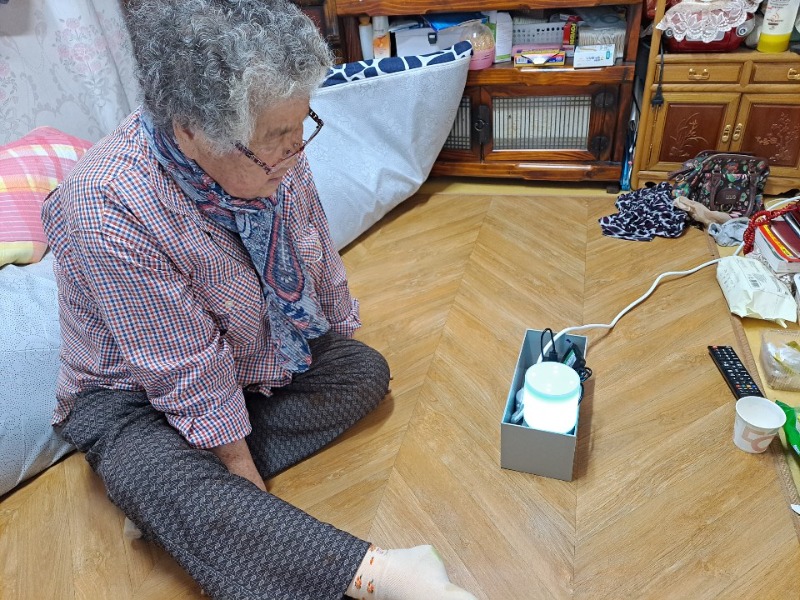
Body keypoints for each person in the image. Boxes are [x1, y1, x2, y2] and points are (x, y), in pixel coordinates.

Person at [40, 0, 477, 598]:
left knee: (364, 372)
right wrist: (238, 470)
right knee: (148, 464)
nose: (297, 152)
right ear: (190, 131)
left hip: (249, 358)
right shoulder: (106, 204)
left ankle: (185, 509)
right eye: (276, 139)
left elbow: (316, 250)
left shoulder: (278, 156)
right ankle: (385, 575)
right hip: (130, 394)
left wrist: (334, 340)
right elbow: (184, 367)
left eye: (302, 126)